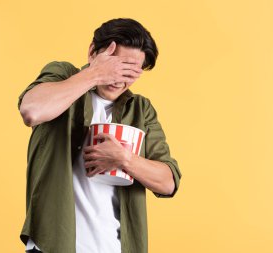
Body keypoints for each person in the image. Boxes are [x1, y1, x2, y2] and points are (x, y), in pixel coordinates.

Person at [17, 18, 181, 253]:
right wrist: (95, 75)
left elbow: (168, 182)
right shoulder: (63, 76)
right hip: (54, 245)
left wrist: (125, 159)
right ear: (93, 51)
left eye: (131, 72)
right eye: (117, 66)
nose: (120, 79)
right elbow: (32, 111)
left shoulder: (141, 109)